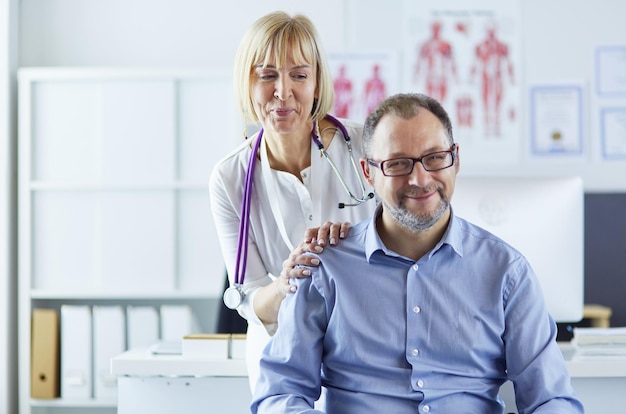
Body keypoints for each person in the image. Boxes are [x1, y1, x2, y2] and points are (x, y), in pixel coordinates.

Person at [251, 93, 584, 413]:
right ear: (368, 173)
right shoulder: (325, 267)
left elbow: (551, 400)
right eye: (398, 163)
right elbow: (280, 393)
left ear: (455, 159)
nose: (420, 178)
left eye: (435, 157)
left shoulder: (507, 272)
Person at [209, 11, 376, 391]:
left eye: (299, 75)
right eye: (267, 75)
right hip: (285, 361)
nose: (282, 92)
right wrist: (285, 282)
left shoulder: (367, 147)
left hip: (369, 348)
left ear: (316, 83)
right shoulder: (230, 179)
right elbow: (249, 299)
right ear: (246, 83)